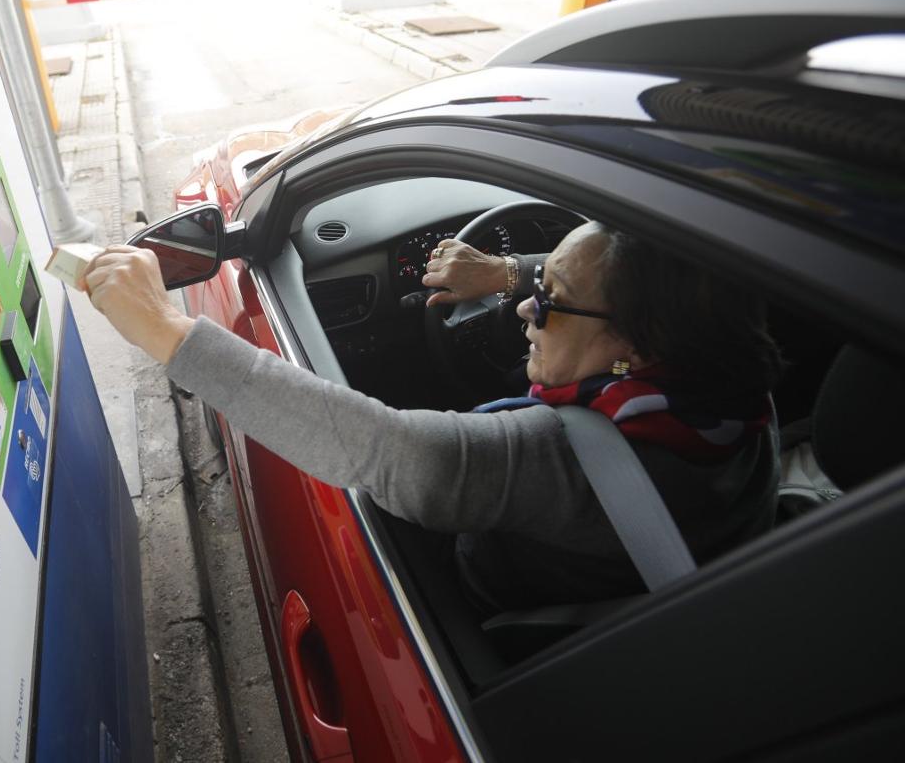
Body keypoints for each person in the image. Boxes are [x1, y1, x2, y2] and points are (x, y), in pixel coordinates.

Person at [78, 221, 783, 609]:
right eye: (535, 285)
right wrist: (506, 270)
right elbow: (608, 277)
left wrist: (165, 330)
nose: (526, 308)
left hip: (503, 609)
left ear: (638, 343)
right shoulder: (732, 392)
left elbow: (394, 452)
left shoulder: (568, 463)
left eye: (552, 298)